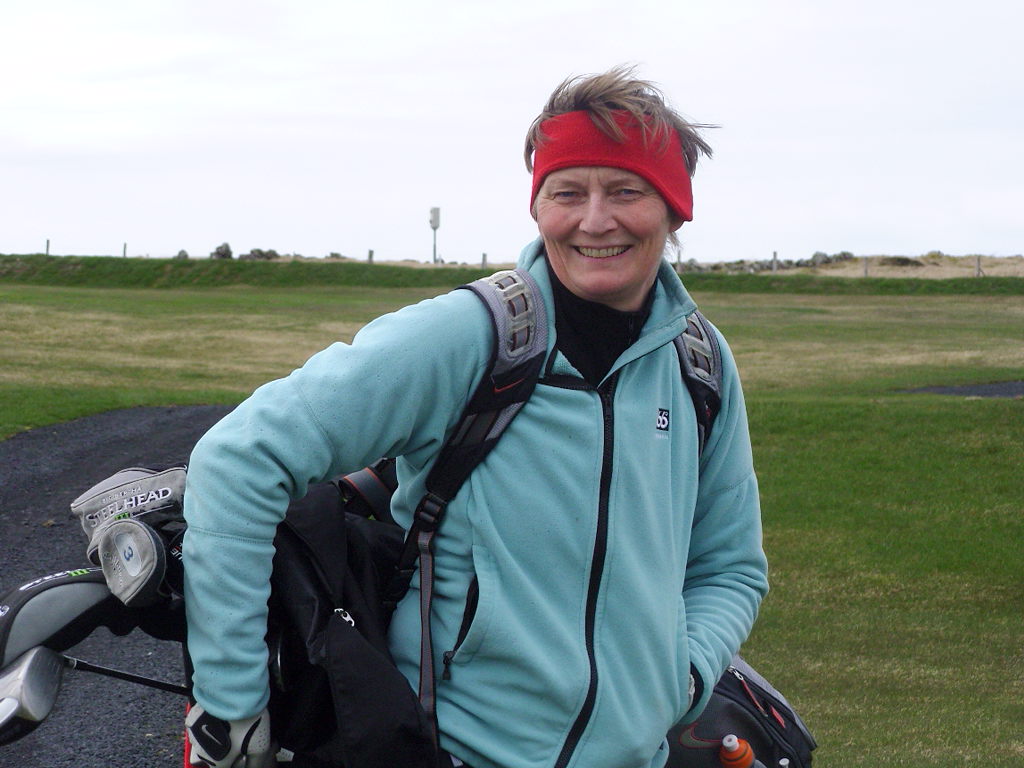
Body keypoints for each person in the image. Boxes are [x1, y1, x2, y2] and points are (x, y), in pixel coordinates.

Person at [182, 65, 769, 768]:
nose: (594, 220)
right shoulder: (471, 337)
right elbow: (240, 459)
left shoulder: (699, 363)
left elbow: (729, 566)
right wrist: (232, 703)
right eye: (567, 193)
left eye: (626, 191)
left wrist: (682, 679)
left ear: (674, 209)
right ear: (538, 207)